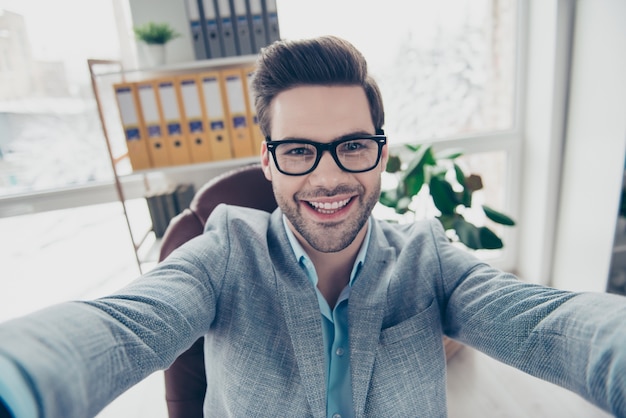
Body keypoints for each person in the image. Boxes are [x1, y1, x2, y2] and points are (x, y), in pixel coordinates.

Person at [0, 35, 625, 418]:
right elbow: (121, 327)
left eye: (351, 145)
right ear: (267, 162)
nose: (327, 178)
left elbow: (547, 322)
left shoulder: (426, 255)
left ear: (381, 153)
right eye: (299, 150)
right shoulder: (223, 251)